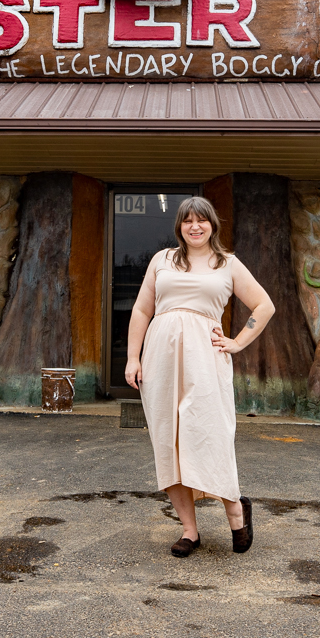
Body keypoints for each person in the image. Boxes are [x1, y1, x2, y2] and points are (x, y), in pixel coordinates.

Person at [124, 196, 275, 557]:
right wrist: (133, 357)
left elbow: (264, 305)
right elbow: (143, 308)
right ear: (179, 227)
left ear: (212, 225)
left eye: (201, 221)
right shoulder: (162, 260)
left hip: (205, 360)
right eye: (187, 221)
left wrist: (237, 342)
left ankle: (236, 509)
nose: (195, 226)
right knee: (168, 440)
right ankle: (190, 530)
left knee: (210, 434)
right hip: (160, 358)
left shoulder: (228, 264)